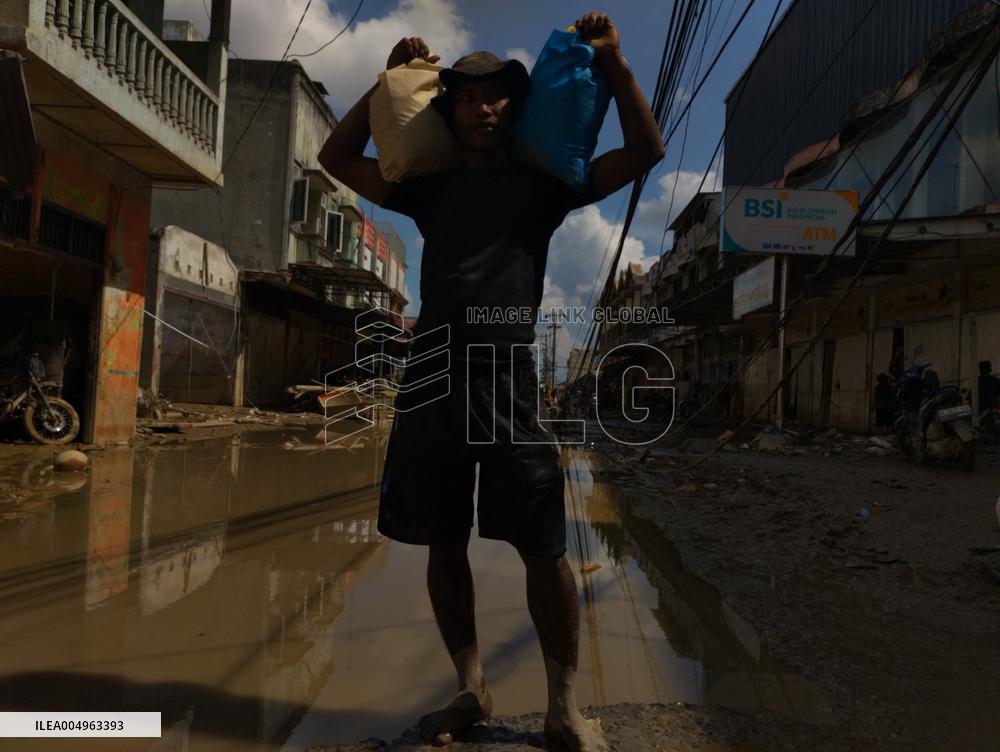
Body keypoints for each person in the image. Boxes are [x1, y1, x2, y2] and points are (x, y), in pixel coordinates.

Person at [318, 12, 663, 752]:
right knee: (443, 543)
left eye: (498, 96)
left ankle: (563, 709)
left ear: (516, 107)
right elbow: (335, 155)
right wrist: (386, 83)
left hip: (508, 382)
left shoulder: (543, 187)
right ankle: (471, 688)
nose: (483, 107)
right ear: (449, 110)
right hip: (432, 380)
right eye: (467, 97)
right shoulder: (427, 189)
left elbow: (645, 149)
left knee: (543, 547)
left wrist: (615, 65)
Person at [978, 361, 1000, 443]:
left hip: (981, 410)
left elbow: (969, 396)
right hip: (992, 408)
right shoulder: (995, 380)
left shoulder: (977, 381)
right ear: (990, 369)